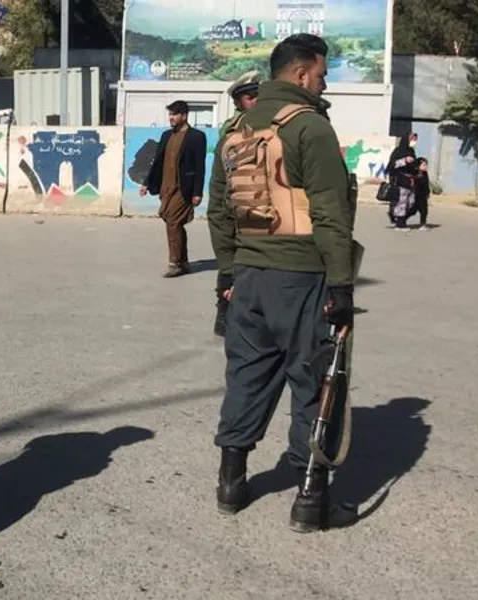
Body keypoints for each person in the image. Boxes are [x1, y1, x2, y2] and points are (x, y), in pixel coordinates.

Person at [207, 33, 359, 532]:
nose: (324, 81)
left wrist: (227, 275)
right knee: (316, 381)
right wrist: (341, 286)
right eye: (320, 73)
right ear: (299, 73)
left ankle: (231, 483)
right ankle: (310, 501)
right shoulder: (309, 128)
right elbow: (331, 214)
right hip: (303, 276)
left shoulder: (235, 130)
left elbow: (220, 212)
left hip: (249, 277)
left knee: (247, 376)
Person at [208, 71, 262, 337]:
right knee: (231, 273)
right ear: (239, 103)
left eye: (258, 97)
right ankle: (225, 311)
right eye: (250, 98)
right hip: (237, 220)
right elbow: (219, 199)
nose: (256, 102)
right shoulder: (231, 137)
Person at [140, 100, 208, 278]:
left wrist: (197, 192)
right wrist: (147, 183)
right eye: (169, 114)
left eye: (174, 114)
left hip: (183, 188)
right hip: (166, 188)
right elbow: (158, 162)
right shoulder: (166, 136)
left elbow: (200, 167)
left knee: (172, 222)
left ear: (184, 116)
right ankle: (183, 261)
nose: (171, 118)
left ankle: (175, 263)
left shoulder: (196, 137)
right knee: (172, 221)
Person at [386, 133, 418, 230]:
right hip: (400, 180)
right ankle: (400, 223)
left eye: (415, 140)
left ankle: (394, 216)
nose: (414, 142)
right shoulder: (398, 151)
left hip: (410, 181)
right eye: (412, 139)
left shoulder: (411, 151)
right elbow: (392, 165)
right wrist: (404, 160)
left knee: (411, 202)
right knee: (402, 202)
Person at [412, 157, 430, 230]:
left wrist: (428, 193)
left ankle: (423, 224)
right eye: (424, 165)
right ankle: (401, 221)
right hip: (417, 195)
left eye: (426, 165)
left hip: (423, 195)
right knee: (412, 211)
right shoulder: (416, 174)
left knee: (424, 211)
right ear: (418, 165)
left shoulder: (425, 173)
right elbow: (416, 186)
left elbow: (426, 184)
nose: (426, 166)